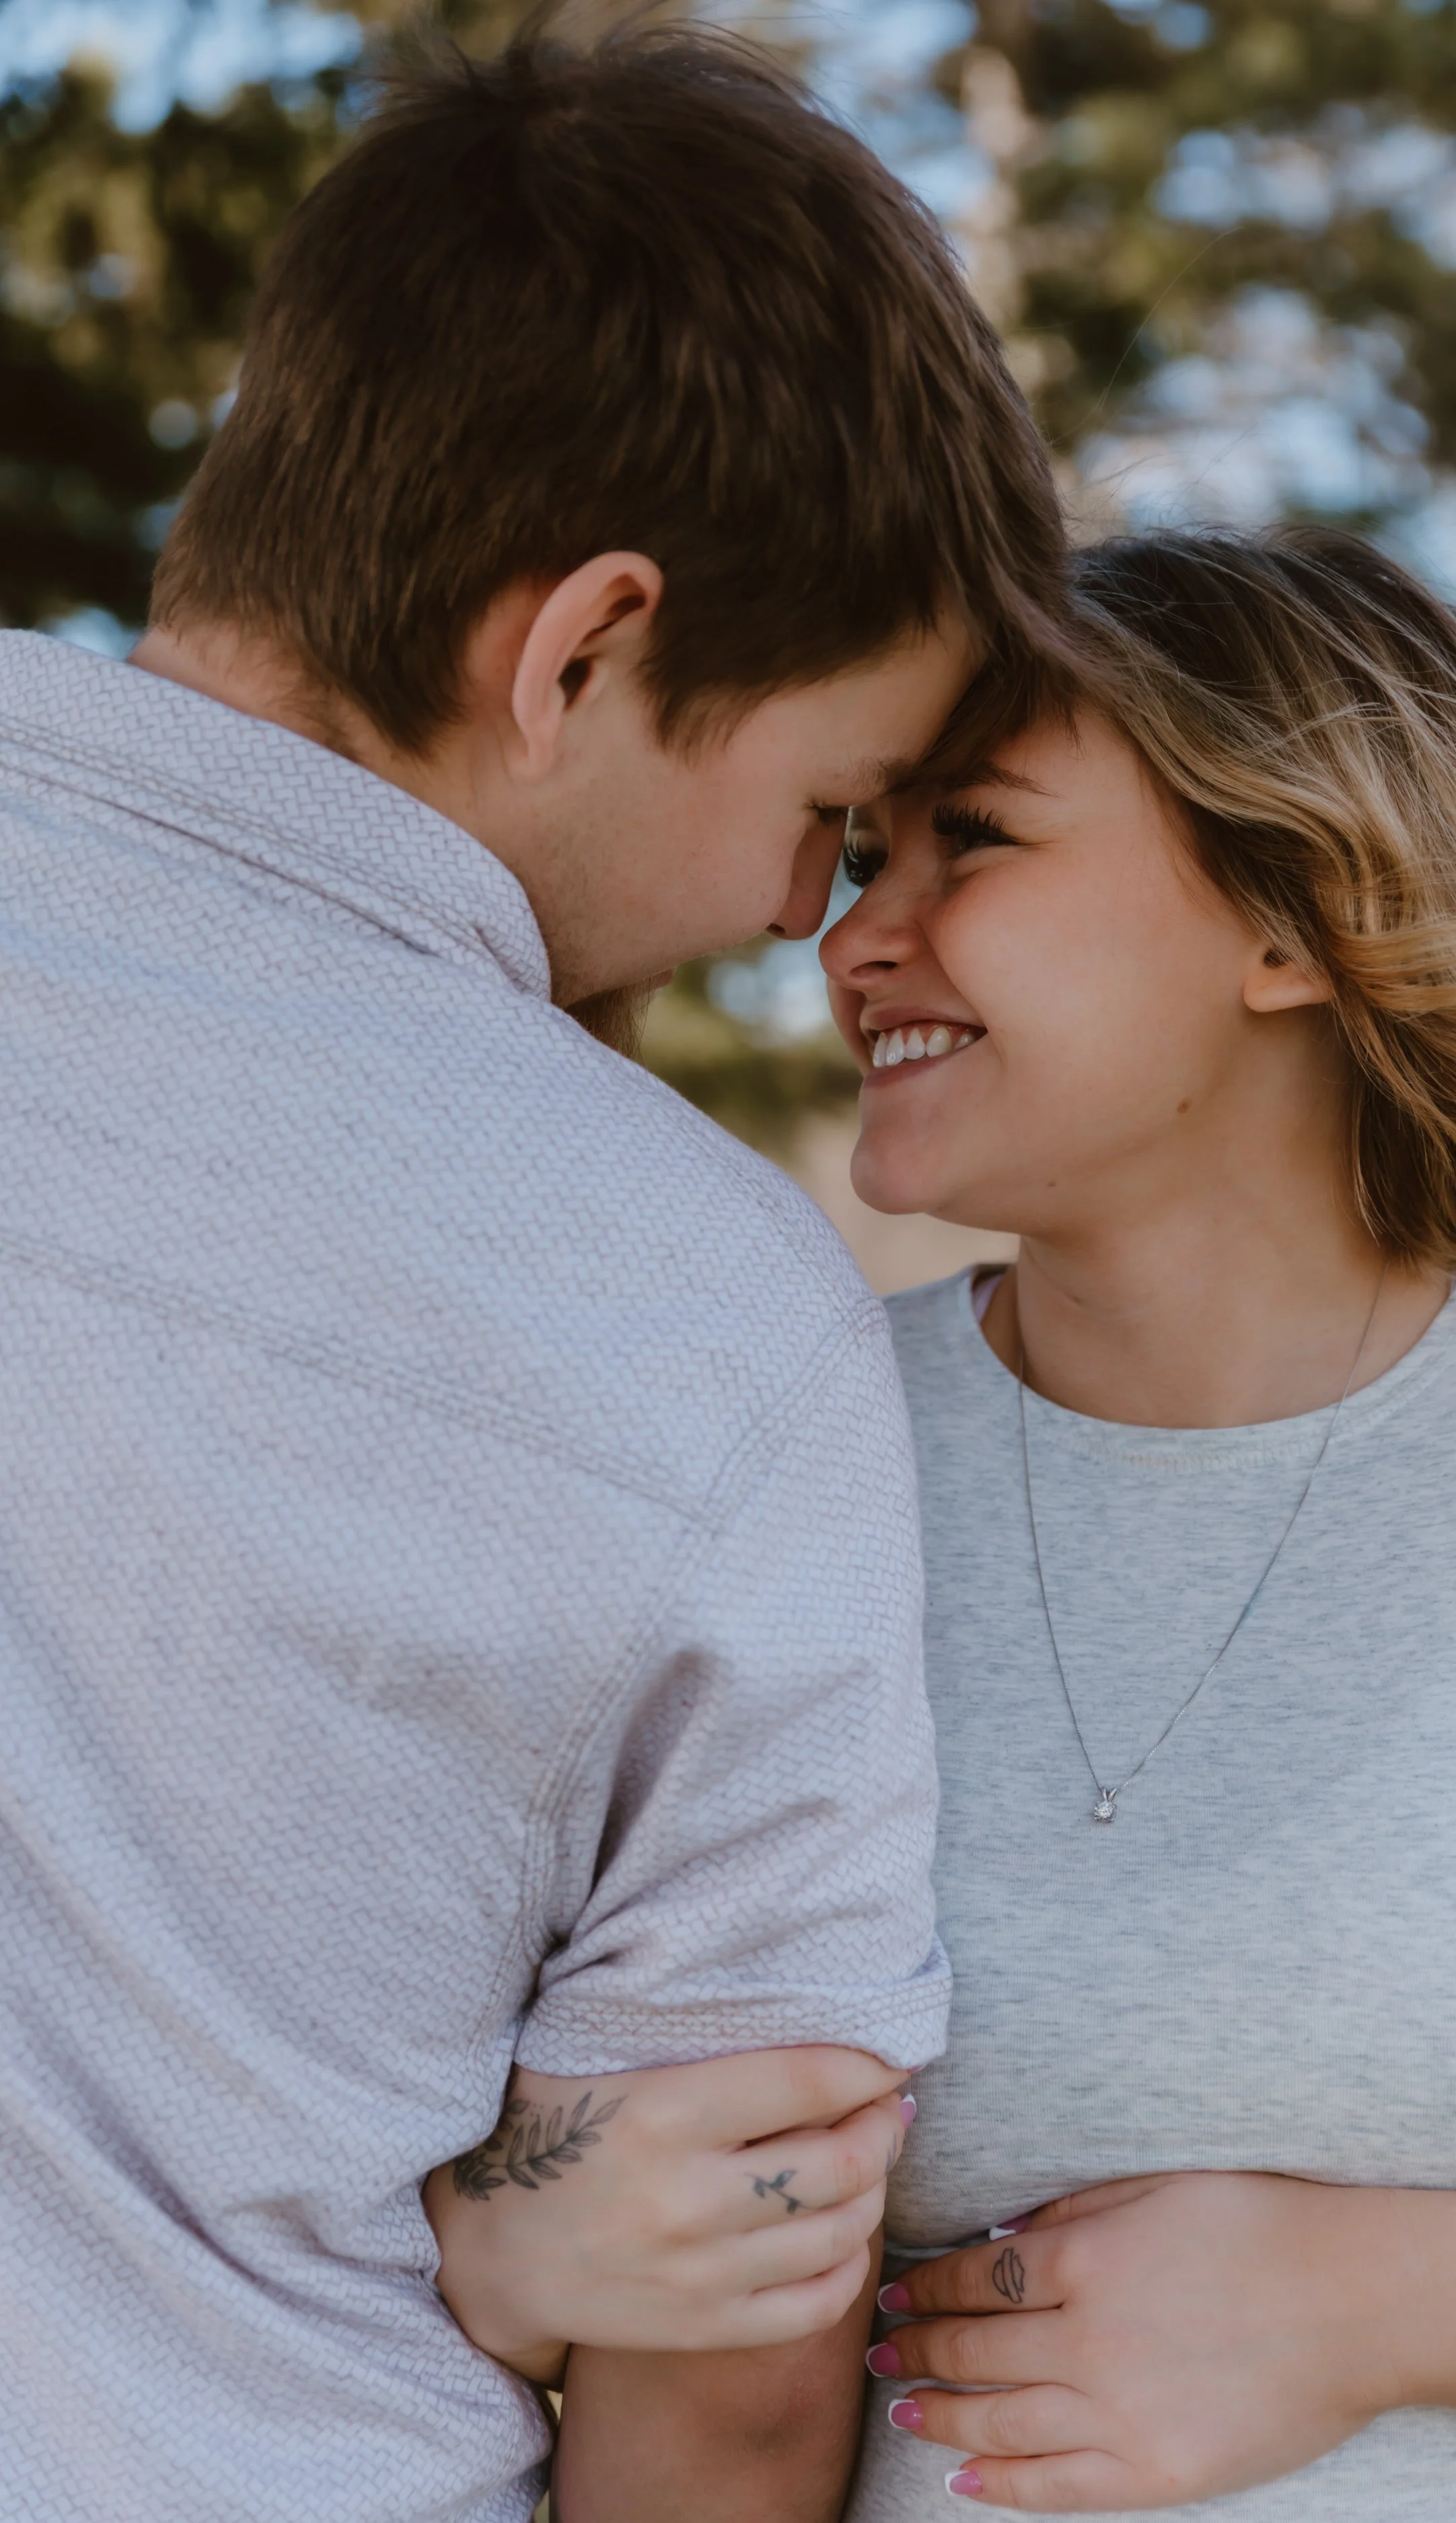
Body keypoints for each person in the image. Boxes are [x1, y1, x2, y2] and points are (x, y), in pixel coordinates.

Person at [0, 22, 1075, 2523]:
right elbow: (745, 2316)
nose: (806, 923)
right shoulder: (706, 1313)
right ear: (579, 648)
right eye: (822, 816)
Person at [812, 526, 1456, 2520]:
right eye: (867, 857)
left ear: (1295, 918)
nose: (858, 939)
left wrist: (1371, 2293)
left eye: (976, 843)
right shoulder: (785, 1454)